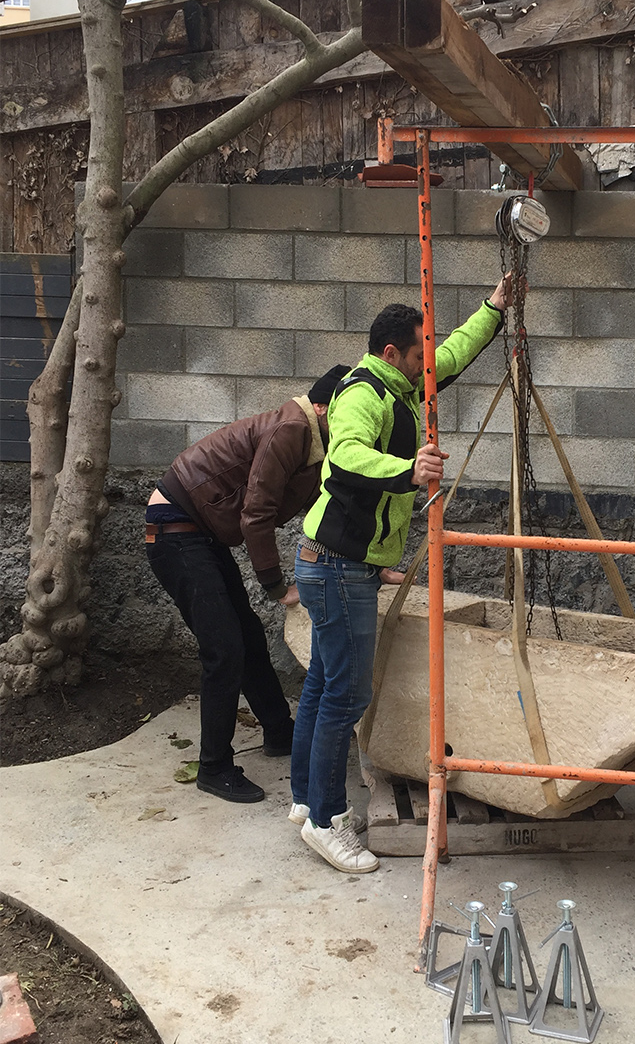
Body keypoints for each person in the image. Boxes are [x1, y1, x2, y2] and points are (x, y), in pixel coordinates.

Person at [290, 279, 512, 873]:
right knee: (347, 694)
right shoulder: (362, 392)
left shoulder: (403, 385)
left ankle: (305, 801)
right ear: (391, 353)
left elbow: (452, 355)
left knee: (323, 685)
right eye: (418, 355)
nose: (425, 364)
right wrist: (410, 469)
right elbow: (346, 456)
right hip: (335, 567)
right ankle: (325, 821)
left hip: (343, 564)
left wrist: (493, 308)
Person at [145, 371, 348, 804]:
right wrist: (276, 586)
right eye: (348, 410)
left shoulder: (317, 443)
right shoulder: (292, 429)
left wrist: (365, 563)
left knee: (249, 637)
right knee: (224, 648)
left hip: (200, 533)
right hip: (174, 529)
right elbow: (256, 514)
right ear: (323, 408)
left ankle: (278, 731)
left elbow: (325, 510)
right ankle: (214, 766)